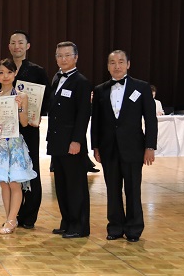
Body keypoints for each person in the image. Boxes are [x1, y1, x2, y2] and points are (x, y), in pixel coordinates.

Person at [92, 50, 157, 242]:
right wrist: (95, 146)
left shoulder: (141, 87)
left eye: (121, 62)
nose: (117, 66)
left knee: (133, 190)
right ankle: (115, 227)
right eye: (112, 62)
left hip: (133, 148)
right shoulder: (100, 90)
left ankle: (134, 229)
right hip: (108, 148)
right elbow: (96, 121)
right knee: (112, 190)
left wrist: (150, 147)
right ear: (108, 66)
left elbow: (150, 119)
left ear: (128, 64)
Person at [0, 30, 49, 229]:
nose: (17, 46)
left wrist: (36, 115)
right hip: (3, 135)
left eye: (21, 42)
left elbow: (45, 99)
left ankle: (28, 217)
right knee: (7, 178)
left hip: (27, 130)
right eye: (13, 43)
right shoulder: (0, 76)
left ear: (27, 46)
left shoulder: (37, 71)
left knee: (29, 172)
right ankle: (12, 216)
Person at [0, 59, 38, 234]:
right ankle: (9, 219)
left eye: (9, 72)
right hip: (0, 145)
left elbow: (24, 123)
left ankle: (12, 220)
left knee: (14, 183)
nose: (5, 76)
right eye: (1, 72)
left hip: (15, 143)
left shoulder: (21, 96)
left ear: (15, 74)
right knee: (4, 183)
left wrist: (20, 108)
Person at [47, 41, 92, 239]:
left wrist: (77, 141)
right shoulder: (56, 78)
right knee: (62, 185)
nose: (63, 59)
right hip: (57, 141)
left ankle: (79, 226)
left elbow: (83, 114)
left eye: (67, 55)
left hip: (72, 143)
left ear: (76, 57)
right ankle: (67, 222)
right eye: (59, 55)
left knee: (76, 186)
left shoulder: (81, 82)